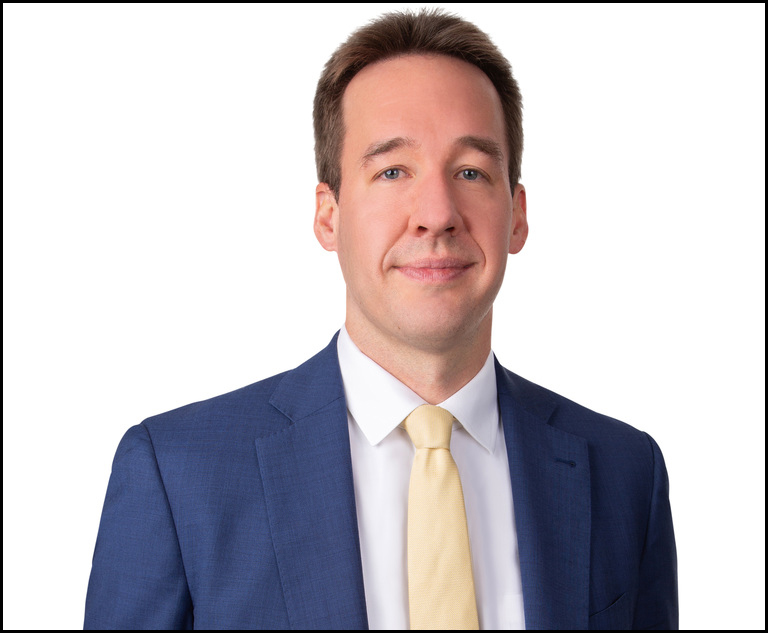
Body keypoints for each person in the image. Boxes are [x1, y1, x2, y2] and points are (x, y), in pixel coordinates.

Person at [84, 8, 677, 630]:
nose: (437, 214)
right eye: (392, 171)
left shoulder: (625, 473)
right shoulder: (178, 475)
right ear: (329, 216)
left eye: (471, 172)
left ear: (517, 215)